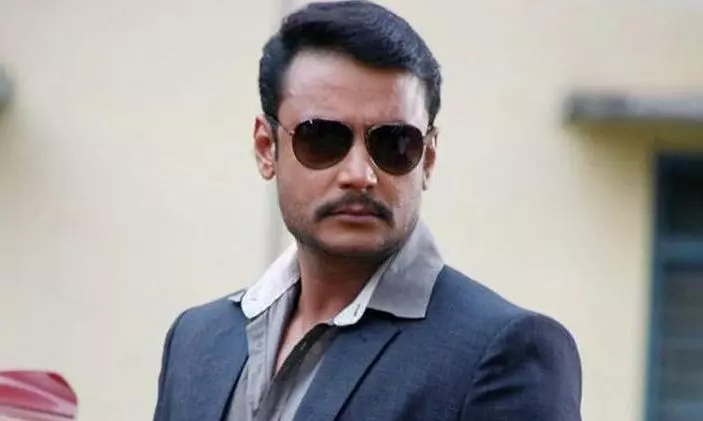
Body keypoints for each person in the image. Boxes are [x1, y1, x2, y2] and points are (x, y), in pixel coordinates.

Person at [153, 1, 583, 420]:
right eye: (322, 138)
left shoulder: (503, 352)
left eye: (395, 143)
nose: (359, 174)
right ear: (267, 149)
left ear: (428, 159)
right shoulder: (196, 341)